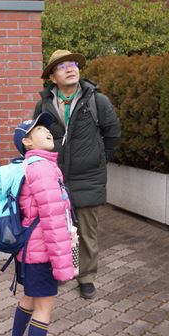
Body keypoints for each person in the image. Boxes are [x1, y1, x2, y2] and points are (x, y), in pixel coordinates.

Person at [33, 49, 121, 299]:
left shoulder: (97, 100)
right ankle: (64, 269)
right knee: (58, 229)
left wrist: (99, 159)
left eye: (73, 64)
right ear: (52, 77)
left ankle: (86, 276)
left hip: (88, 178)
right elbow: (37, 138)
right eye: (62, 66)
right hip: (55, 179)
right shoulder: (44, 104)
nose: (70, 68)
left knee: (86, 232)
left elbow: (112, 134)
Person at [7, 113, 75, 336]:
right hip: (41, 251)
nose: (47, 131)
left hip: (29, 249)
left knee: (30, 298)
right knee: (44, 306)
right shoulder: (43, 168)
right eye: (39, 129)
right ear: (26, 141)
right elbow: (53, 222)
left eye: (47, 128)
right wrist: (63, 267)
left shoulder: (34, 166)